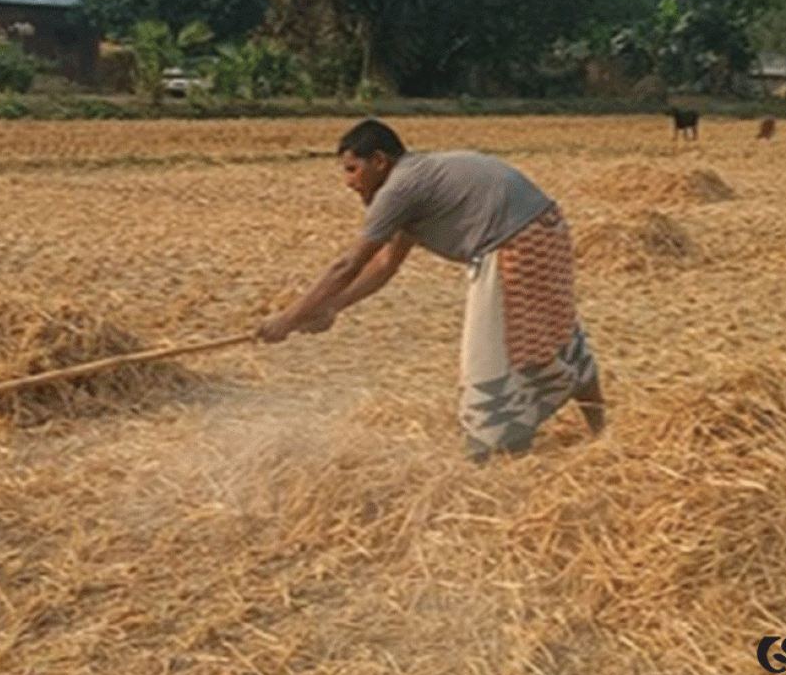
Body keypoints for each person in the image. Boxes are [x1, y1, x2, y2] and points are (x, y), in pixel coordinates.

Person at [256, 118, 605, 461]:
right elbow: (385, 265)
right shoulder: (417, 179)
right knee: (555, 330)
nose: (348, 182)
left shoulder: (398, 188)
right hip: (545, 230)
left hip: (515, 246)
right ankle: (601, 434)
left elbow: (349, 264)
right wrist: (332, 307)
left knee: (492, 353)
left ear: (379, 161)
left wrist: (287, 319)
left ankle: (498, 452)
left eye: (352, 169)